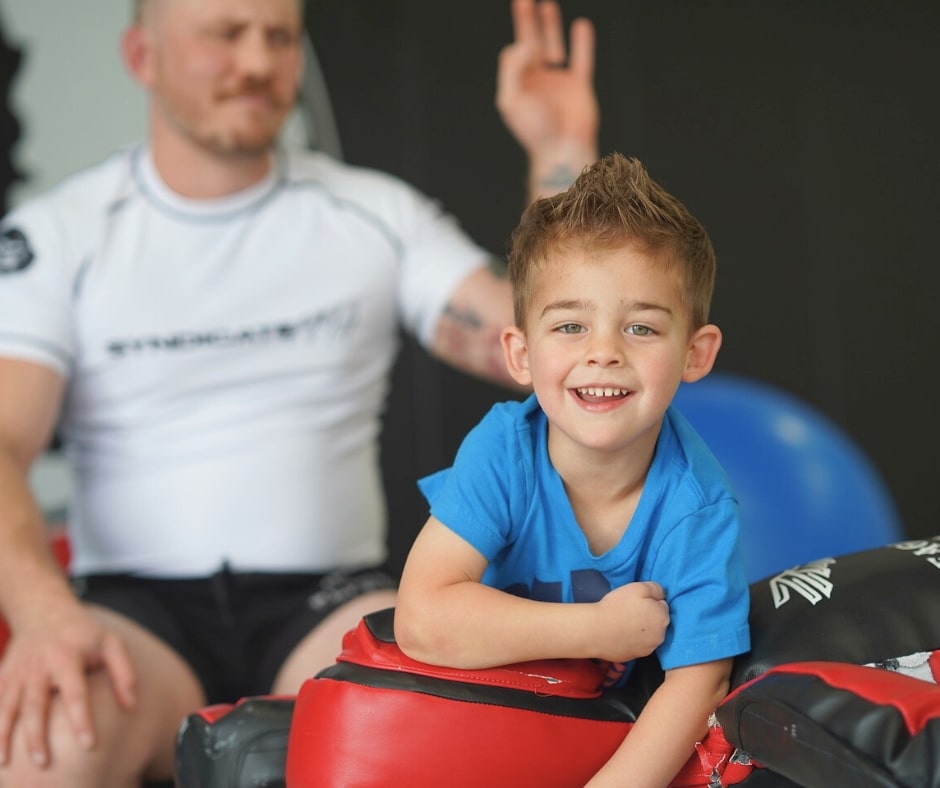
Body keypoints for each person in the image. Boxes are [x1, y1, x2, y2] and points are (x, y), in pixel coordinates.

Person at [0, 0, 599, 785]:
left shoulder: (374, 214)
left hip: (325, 601)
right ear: (143, 57)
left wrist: (562, 153)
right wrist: (43, 615)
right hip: (133, 611)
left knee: (415, 742)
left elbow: (543, 344)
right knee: (41, 753)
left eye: (279, 36)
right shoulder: (58, 235)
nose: (256, 61)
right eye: (224, 34)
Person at [395, 152, 751, 787]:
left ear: (695, 354)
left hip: (601, 749)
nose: (604, 353)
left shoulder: (695, 504)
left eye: (641, 327)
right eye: (570, 326)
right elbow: (421, 620)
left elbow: (700, 682)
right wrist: (599, 629)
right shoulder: (506, 448)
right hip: (477, 727)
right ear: (521, 354)